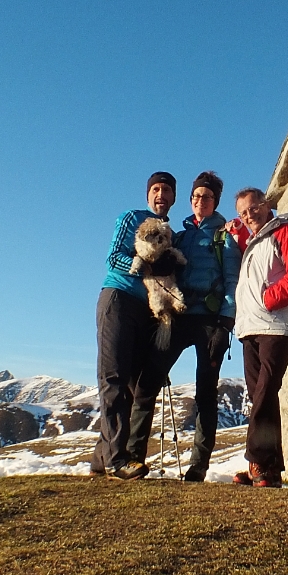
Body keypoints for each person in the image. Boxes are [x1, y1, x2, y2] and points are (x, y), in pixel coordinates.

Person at [127, 171, 241, 481]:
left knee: (205, 391)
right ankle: (134, 457)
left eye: (205, 196)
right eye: (195, 197)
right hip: (177, 317)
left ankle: (198, 467)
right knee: (149, 379)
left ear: (215, 200)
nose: (198, 201)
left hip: (210, 319)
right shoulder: (178, 234)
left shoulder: (224, 236)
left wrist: (226, 322)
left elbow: (232, 280)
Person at [90, 171, 176, 480]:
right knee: (113, 376)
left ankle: (104, 458)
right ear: (147, 194)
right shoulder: (132, 218)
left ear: (173, 197)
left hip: (146, 310)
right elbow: (114, 258)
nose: (160, 195)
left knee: (135, 385)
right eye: (155, 189)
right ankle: (117, 460)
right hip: (118, 298)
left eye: (167, 190)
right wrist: (148, 264)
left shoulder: (171, 233)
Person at [231, 186, 288, 488]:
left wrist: (270, 298)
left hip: (277, 326)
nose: (249, 215)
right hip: (250, 328)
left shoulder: (285, 230)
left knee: (265, 393)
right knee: (260, 398)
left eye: (253, 208)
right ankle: (268, 468)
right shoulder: (255, 241)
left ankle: (255, 460)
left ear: (267, 206)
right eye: (243, 213)